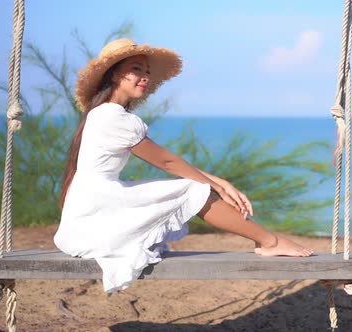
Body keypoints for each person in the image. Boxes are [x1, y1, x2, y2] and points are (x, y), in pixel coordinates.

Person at [53, 39, 313, 293]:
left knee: (192, 186)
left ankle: (268, 240)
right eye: (136, 69)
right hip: (98, 209)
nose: (144, 77)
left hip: (91, 207)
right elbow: (166, 162)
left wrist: (218, 182)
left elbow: (166, 158)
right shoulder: (113, 117)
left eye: (146, 72)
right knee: (191, 190)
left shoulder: (109, 114)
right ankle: (270, 241)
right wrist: (215, 186)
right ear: (113, 75)